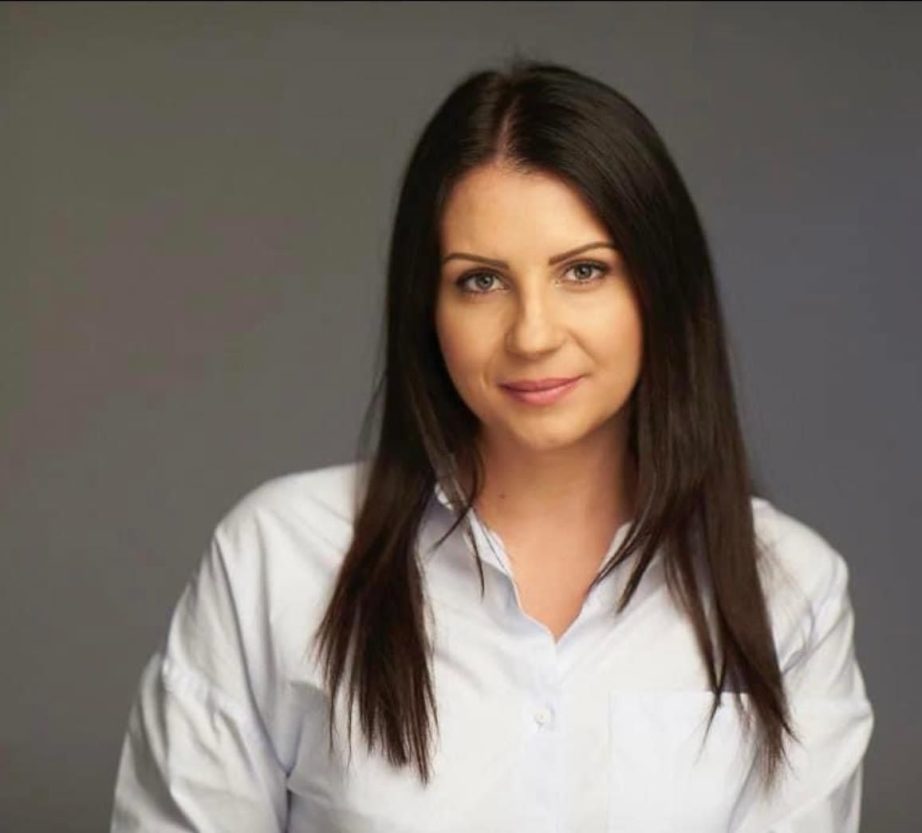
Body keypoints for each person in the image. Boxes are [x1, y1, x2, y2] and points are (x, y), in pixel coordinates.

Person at [110, 57, 875, 832]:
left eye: (583, 270)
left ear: (661, 289)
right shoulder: (278, 558)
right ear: (428, 307)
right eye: (481, 280)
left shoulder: (789, 591)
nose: (533, 334)